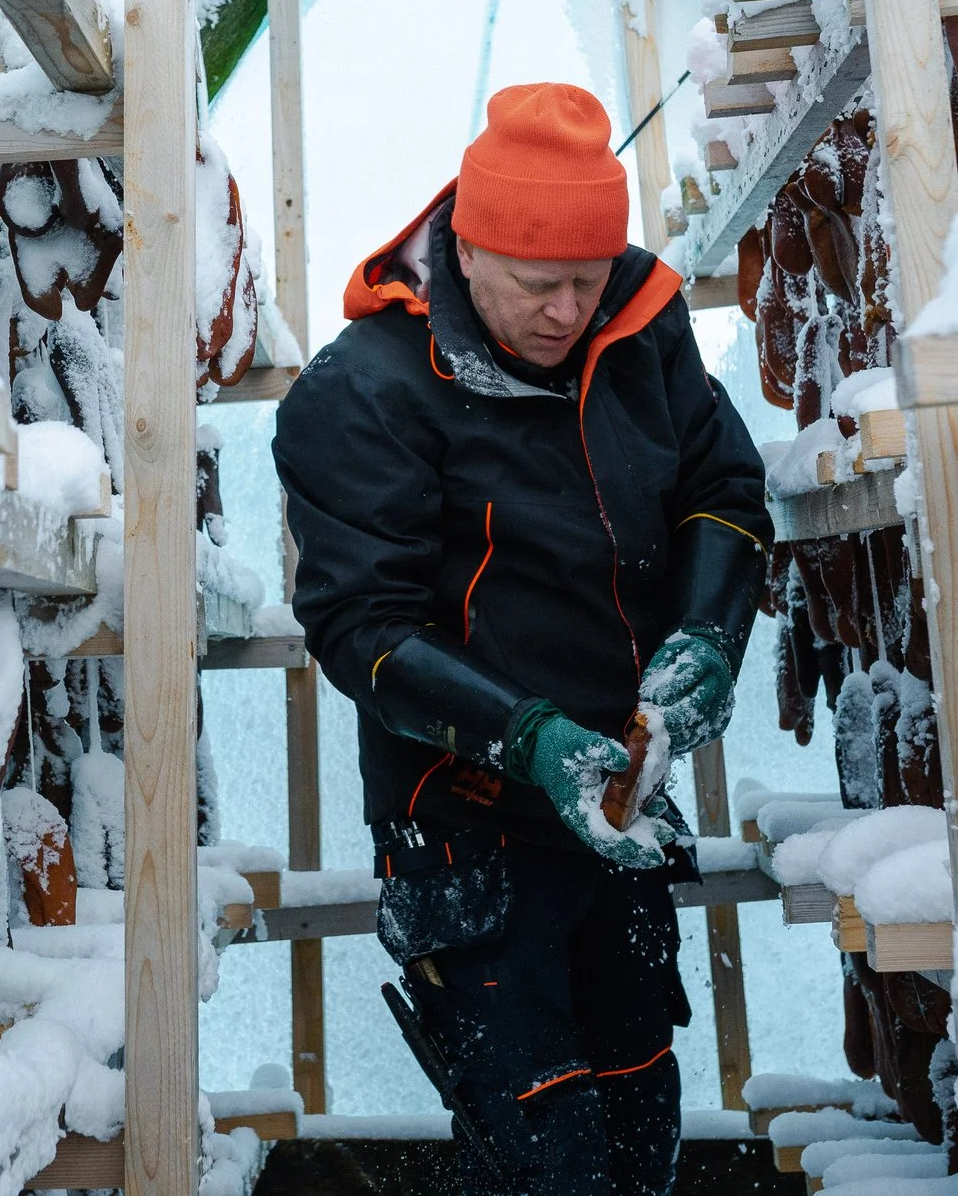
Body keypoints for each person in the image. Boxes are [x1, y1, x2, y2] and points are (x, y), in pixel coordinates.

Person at [273, 82, 769, 1196]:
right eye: (537, 284)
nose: (565, 311)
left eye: (587, 281)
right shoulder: (360, 390)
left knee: (643, 1119)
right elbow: (359, 626)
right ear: (468, 245)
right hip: (466, 823)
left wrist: (706, 629)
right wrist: (527, 734)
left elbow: (725, 484)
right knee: (544, 1158)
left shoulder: (641, 326)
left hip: (616, 810)